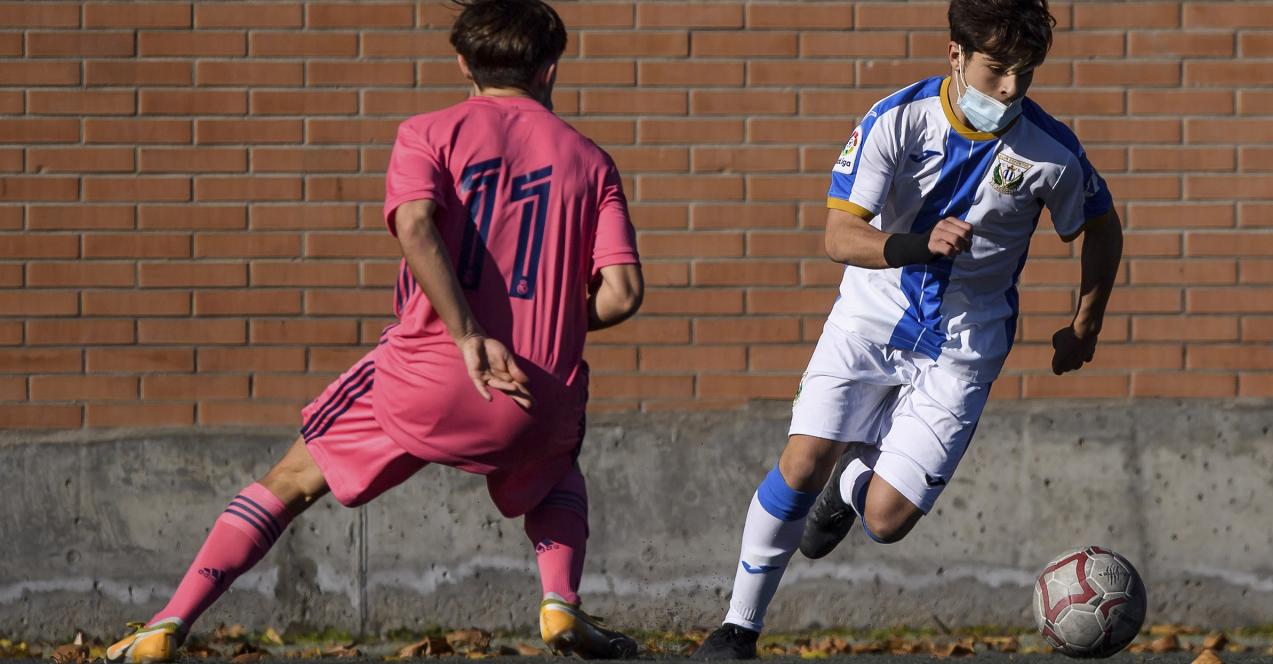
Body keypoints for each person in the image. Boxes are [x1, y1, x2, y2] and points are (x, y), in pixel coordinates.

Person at [107, 1, 644, 660]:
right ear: (550, 68)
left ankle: (168, 623)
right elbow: (622, 294)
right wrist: (548, 321)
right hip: (532, 395)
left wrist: (469, 334)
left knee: (289, 481)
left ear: (463, 64)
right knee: (558, 466)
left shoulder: (426, 133)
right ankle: (559, 603)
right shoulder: (592, 162)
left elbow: (414, 223)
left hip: (425, 378)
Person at [692, 0, 1123, 658]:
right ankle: (737, 629)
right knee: (803, 461)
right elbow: (839, 235)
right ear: (956, 55)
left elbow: (1101, 224)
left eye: (1026, 72)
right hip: (869, 319)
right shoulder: (895, 119)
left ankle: (851, 484)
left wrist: (1084, 326)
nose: (1011, 88)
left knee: (886, 521)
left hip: (964, 345)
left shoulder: (1051, 151)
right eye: (997, 69)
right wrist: (919, 246)